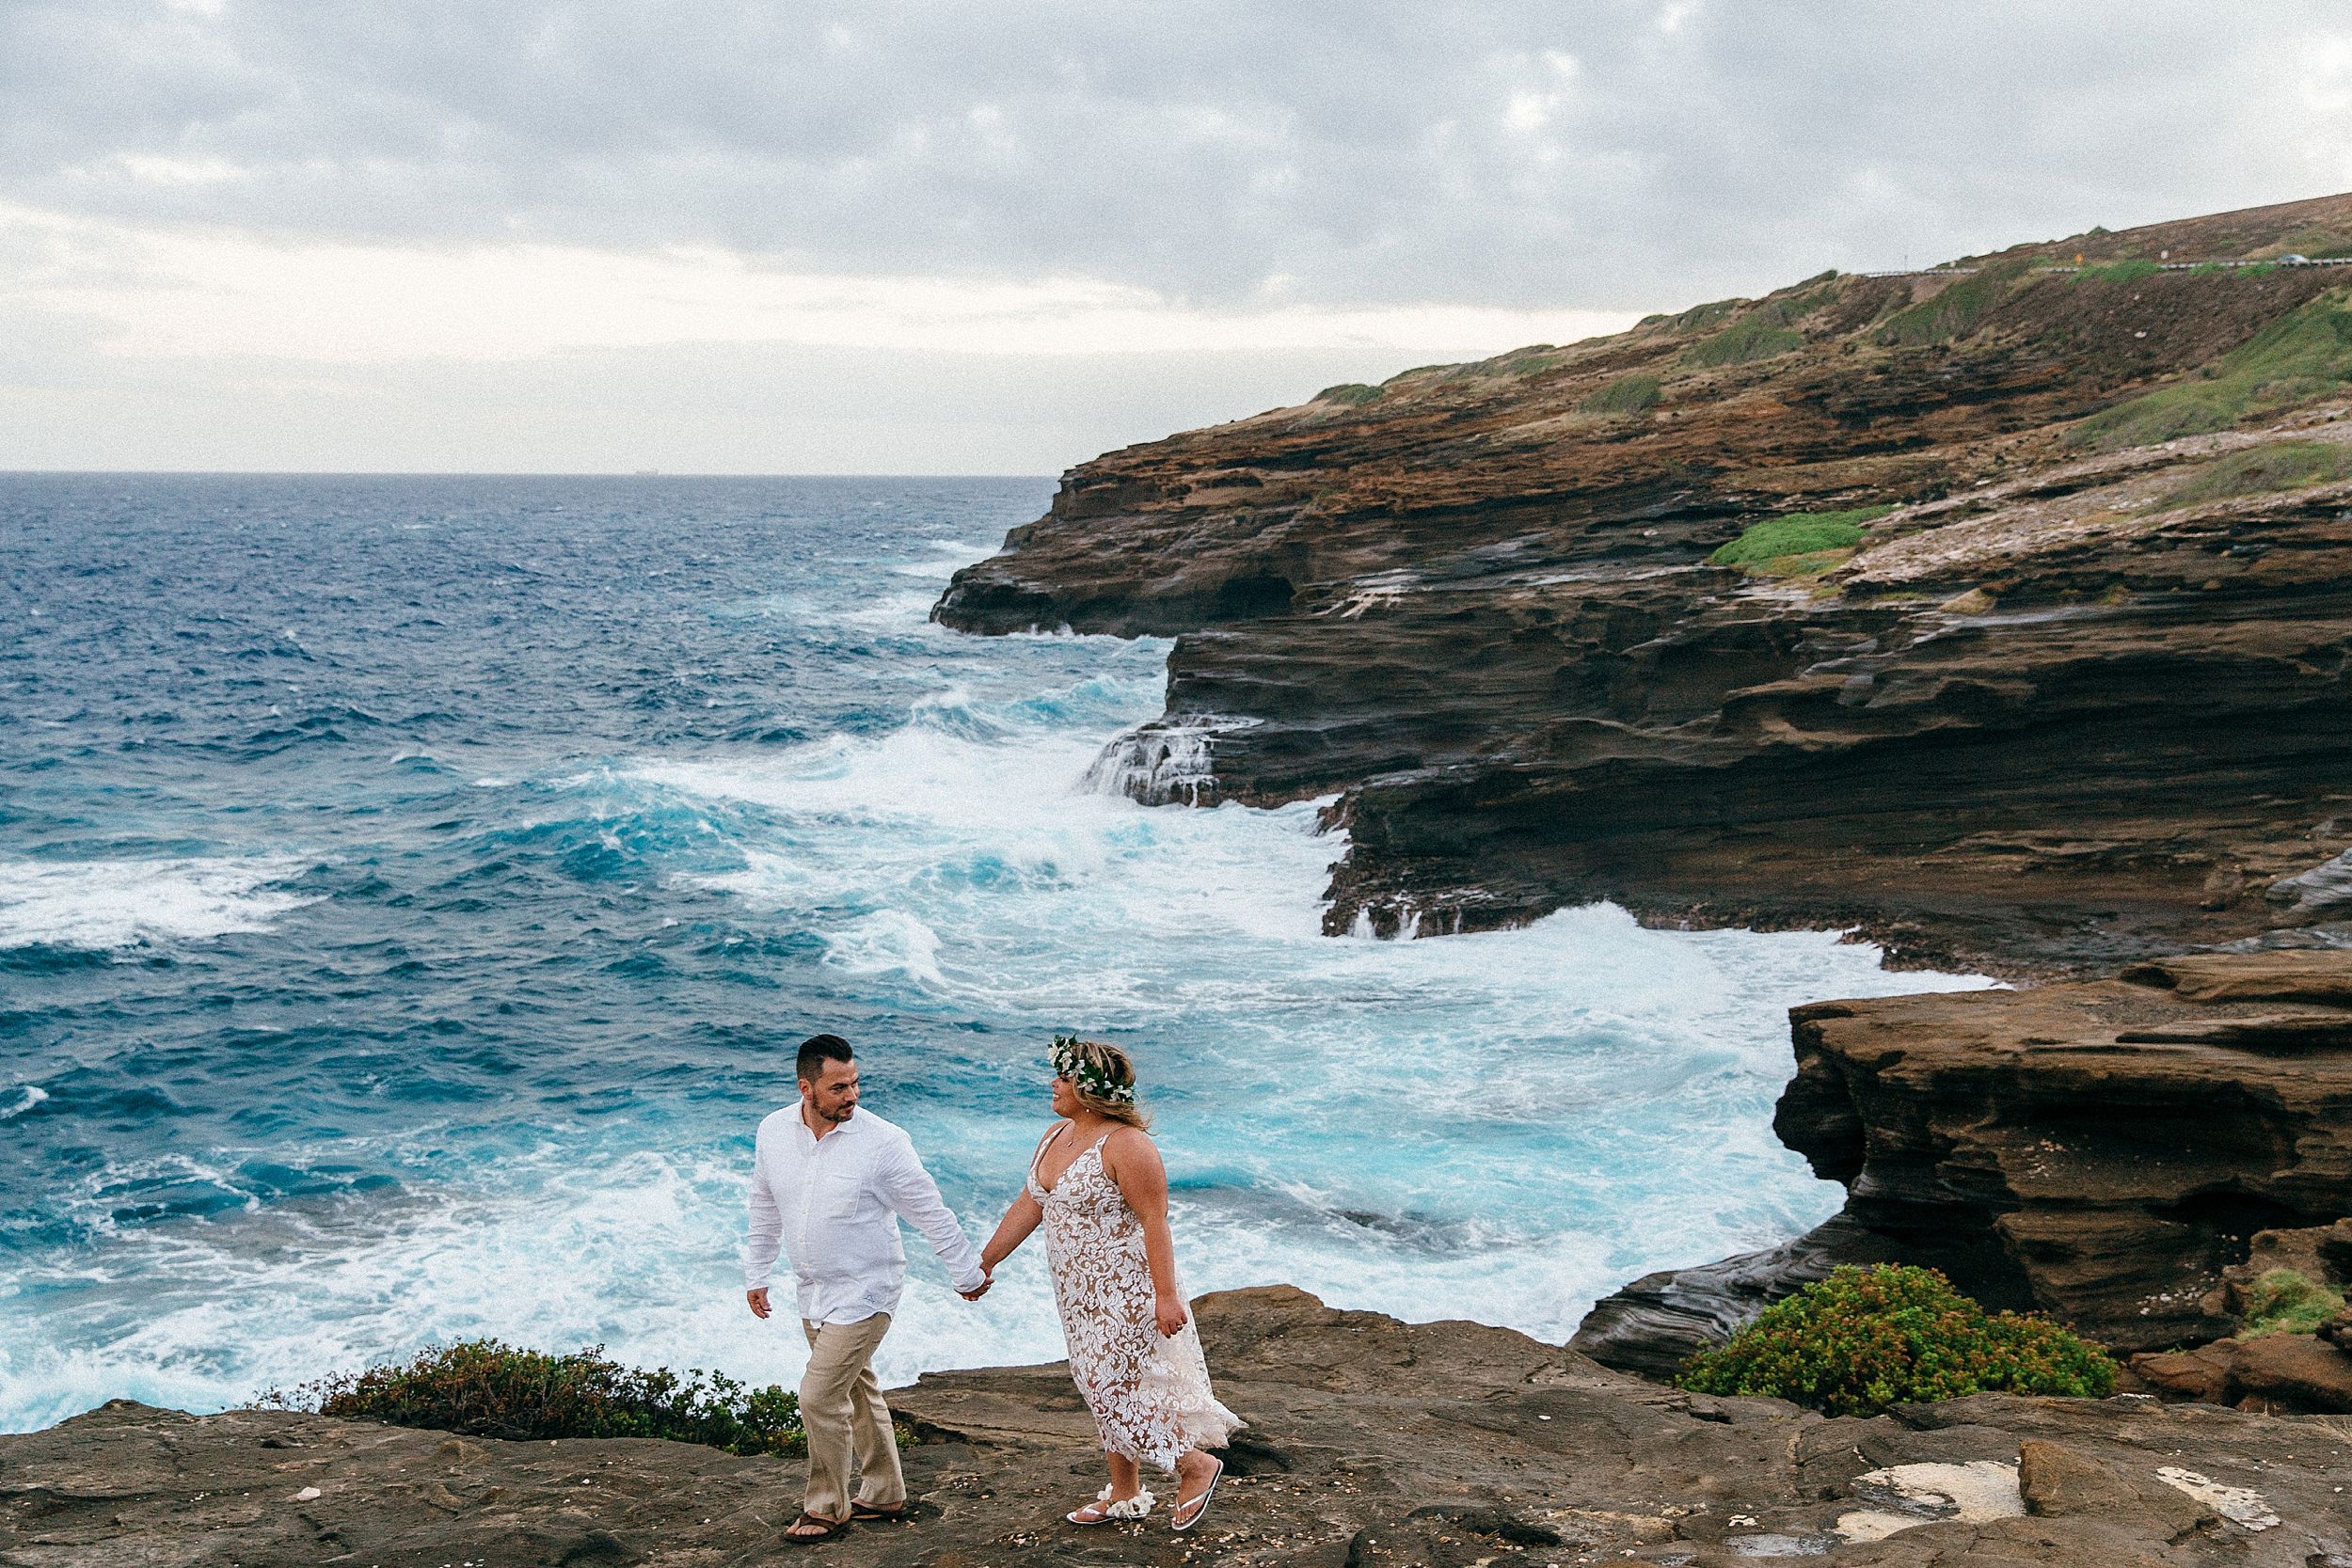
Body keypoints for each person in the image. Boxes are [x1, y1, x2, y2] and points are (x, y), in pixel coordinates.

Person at [977, 1035, 1239, 1532]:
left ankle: (1194, 1465)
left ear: (1087, 1087)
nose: (1053, 1084)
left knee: (1113, 1388)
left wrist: (1165, 1297)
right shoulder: (1055, 1137)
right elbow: (1028, 1205)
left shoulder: (1129, 1147)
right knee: (1097, 1383)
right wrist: (985, 1263)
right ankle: (1124, 1490)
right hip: (1077, 1294)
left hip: (1127, 1291)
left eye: (1063, 1076)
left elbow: (1155, 1221)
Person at [744, 1033, 992, 1546]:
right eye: (839, 1087)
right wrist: (757, 1272)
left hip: (868, 1291)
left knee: (817, 1396)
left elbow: (930, 1211)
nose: (852, 1095)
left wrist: (967, 1273)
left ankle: (827, 1507)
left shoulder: (883, 1142)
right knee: (858, 1389)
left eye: (856, 1083)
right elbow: (764, 1204)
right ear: (806, 1088)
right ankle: (885, 1493)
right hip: (812, 1291)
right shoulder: (773, 1132)